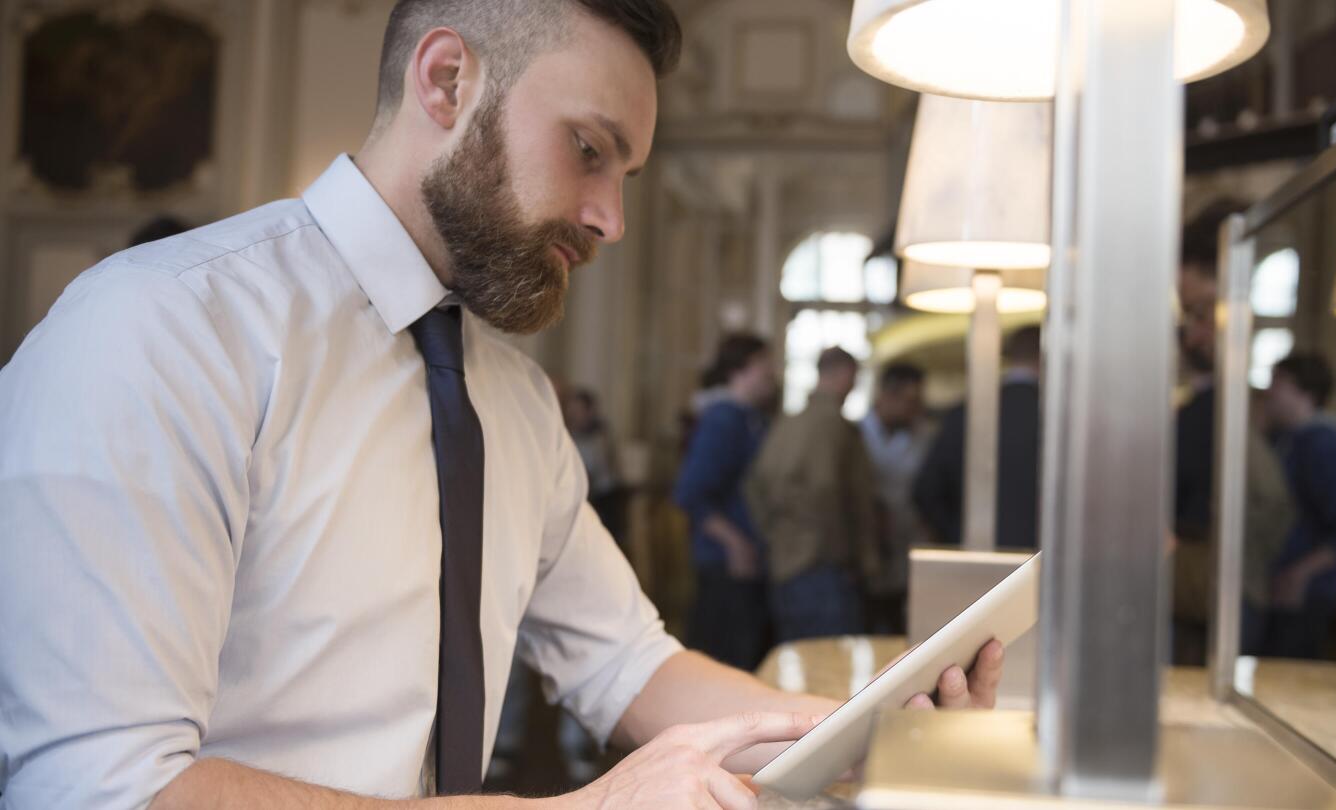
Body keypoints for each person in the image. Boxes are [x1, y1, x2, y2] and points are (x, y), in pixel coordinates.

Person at [0, 2, 1006, 808]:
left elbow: (628, 667)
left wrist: (868, 731)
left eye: (626, 173)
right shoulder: (161, 331)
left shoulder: (515, 406)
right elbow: (99, 786)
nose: (611, 219)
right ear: (446, 80)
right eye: (588, 150)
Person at [1171, 203, 1294, 663]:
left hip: (1235, 588)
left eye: (1203, 312)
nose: (1194, 335)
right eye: (1190, 318)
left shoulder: (1248, 409)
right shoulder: (1215, 405)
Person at [745, 347, 875, 642]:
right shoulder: (832, 425)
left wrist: (776, 537)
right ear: (844, 376)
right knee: (831, 665)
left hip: (785, 562)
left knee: (794, 658)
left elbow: (754, 486)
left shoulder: (786, 424)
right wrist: (852, 557)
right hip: (822, 565)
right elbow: (827, 491)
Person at [671, 333, 776, 670]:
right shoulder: (723, 419)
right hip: (725, 563)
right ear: (739, 371)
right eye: (764, 364)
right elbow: (690, 492)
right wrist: (735, 544)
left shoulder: (749, 417)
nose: (772, 373)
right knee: (725, 657)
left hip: (742, 559)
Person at [1262, 352, 1336, 659]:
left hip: (1306, 591)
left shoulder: (1323, 446)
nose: (1270, 390)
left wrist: (1301, 574)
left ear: (1306, 394)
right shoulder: (1284, 439)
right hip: (1278, 584)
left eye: (1279, 382)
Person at [913, 325, 1042, 550]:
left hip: (973, 552)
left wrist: (955, 534)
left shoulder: (963, 412)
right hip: (1044, 557)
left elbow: (926, 490)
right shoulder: (1062, 420)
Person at [859, 362, 934, 635]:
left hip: (910, 543)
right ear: (887, 395)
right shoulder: (857, 434)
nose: (915, 408)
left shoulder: (925, 436)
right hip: (870, 548)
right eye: (909, 400)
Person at [563, 387, 626, 540]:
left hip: (602, 499)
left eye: (578, 411)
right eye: (572, 411)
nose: (574, 415)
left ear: (589, 411)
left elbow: (595, 469)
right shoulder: (570, 434)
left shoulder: (600, 437)